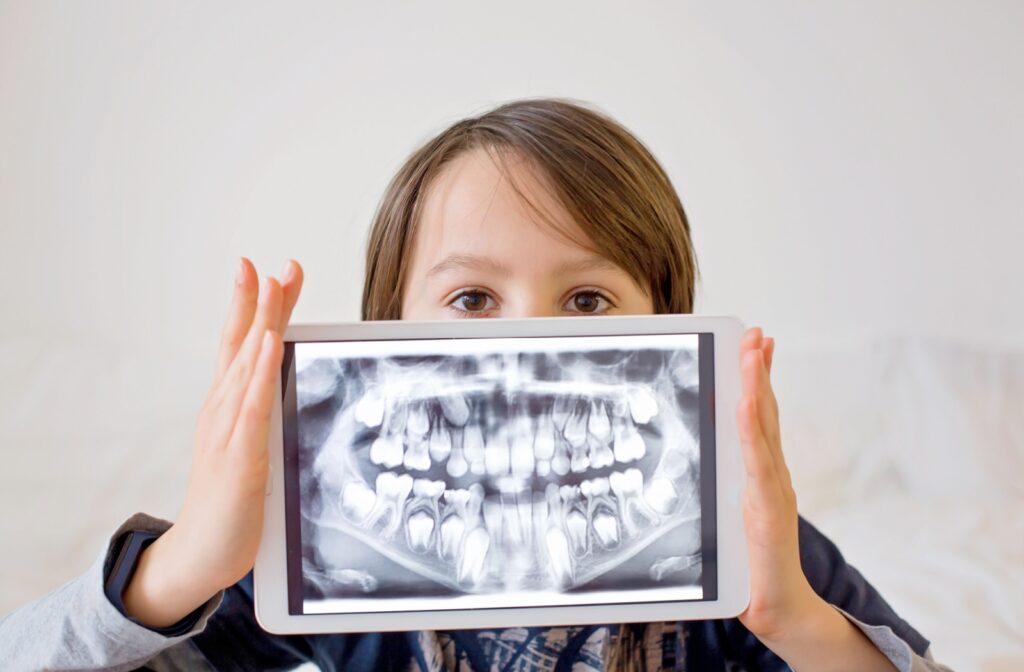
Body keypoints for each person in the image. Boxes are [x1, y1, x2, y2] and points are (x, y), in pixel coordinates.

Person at [0, 98, 952, 671]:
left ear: (671, 329)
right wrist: (187, 566)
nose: (529, 346)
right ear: (387, 336)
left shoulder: (751, 554)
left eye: (587, 300)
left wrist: (797, 620)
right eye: (470, 298)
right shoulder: (327, 554)